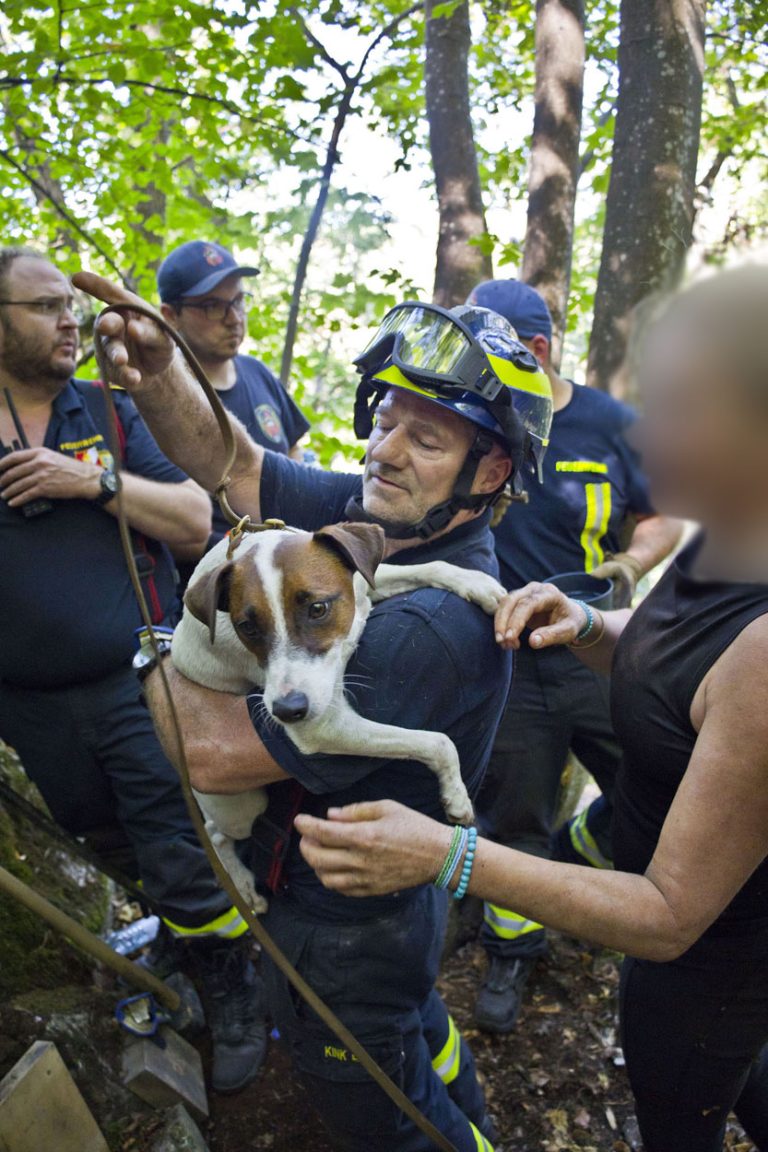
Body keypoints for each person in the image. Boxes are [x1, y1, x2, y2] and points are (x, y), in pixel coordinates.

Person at [73, 272, 554, 1152]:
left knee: (384, 1112)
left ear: (489, 471)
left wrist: (152, 651)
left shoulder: (435, 625)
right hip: (393, 912)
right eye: (384, 422)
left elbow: (210, 756)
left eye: (427, 438)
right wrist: (158, 368)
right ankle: (472, 1110)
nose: (385, 452)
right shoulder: (378, 527)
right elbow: (236, 466)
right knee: (415, 1031)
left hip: (346, 928)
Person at [296, 264, 768, 1152]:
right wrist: (591, 621)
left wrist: (446, 854)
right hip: (682, 896)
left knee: (683, 1101)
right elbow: (691, 654)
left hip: (710, 964)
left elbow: (666, 918)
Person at [0, 247, 266, 1095]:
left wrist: (90, 480)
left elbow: (196, 516)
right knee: (102, 835)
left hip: (132, 679)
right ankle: (181, 951)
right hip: (28, 703)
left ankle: (235, 988)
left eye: (67, 305)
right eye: (43, 306)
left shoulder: (109, 412)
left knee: (179, 844)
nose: (67, 319)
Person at [462, 278, 682, 1032]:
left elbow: (661, 517)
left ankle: (592, 861)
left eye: (501, 351)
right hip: (508, 656)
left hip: (599, 642)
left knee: (657, 775)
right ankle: (511, 950)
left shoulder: (611, 425)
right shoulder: (478, 413)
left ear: (540, 350)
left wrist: (629, 564)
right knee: (513, 806)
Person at [157, 240, 309, 546]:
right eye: (213, 306)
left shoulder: (257, 372)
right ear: (171, 315)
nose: (234, 318)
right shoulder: (160, 398)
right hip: (216, 574)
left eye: (238, 301)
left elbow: (294, 448)